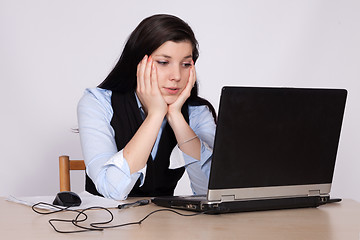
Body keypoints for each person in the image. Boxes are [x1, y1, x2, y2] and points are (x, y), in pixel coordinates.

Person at [77, 14, 217, 200]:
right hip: (105, 224)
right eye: (163, 62)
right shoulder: (97, 103)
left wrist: (176, 117)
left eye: (185, 64)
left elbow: (214, 193)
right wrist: (155, 115)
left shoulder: (197, 113)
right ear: (138, 63)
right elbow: (111, 189)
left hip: (166, 226)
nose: (176, 75)